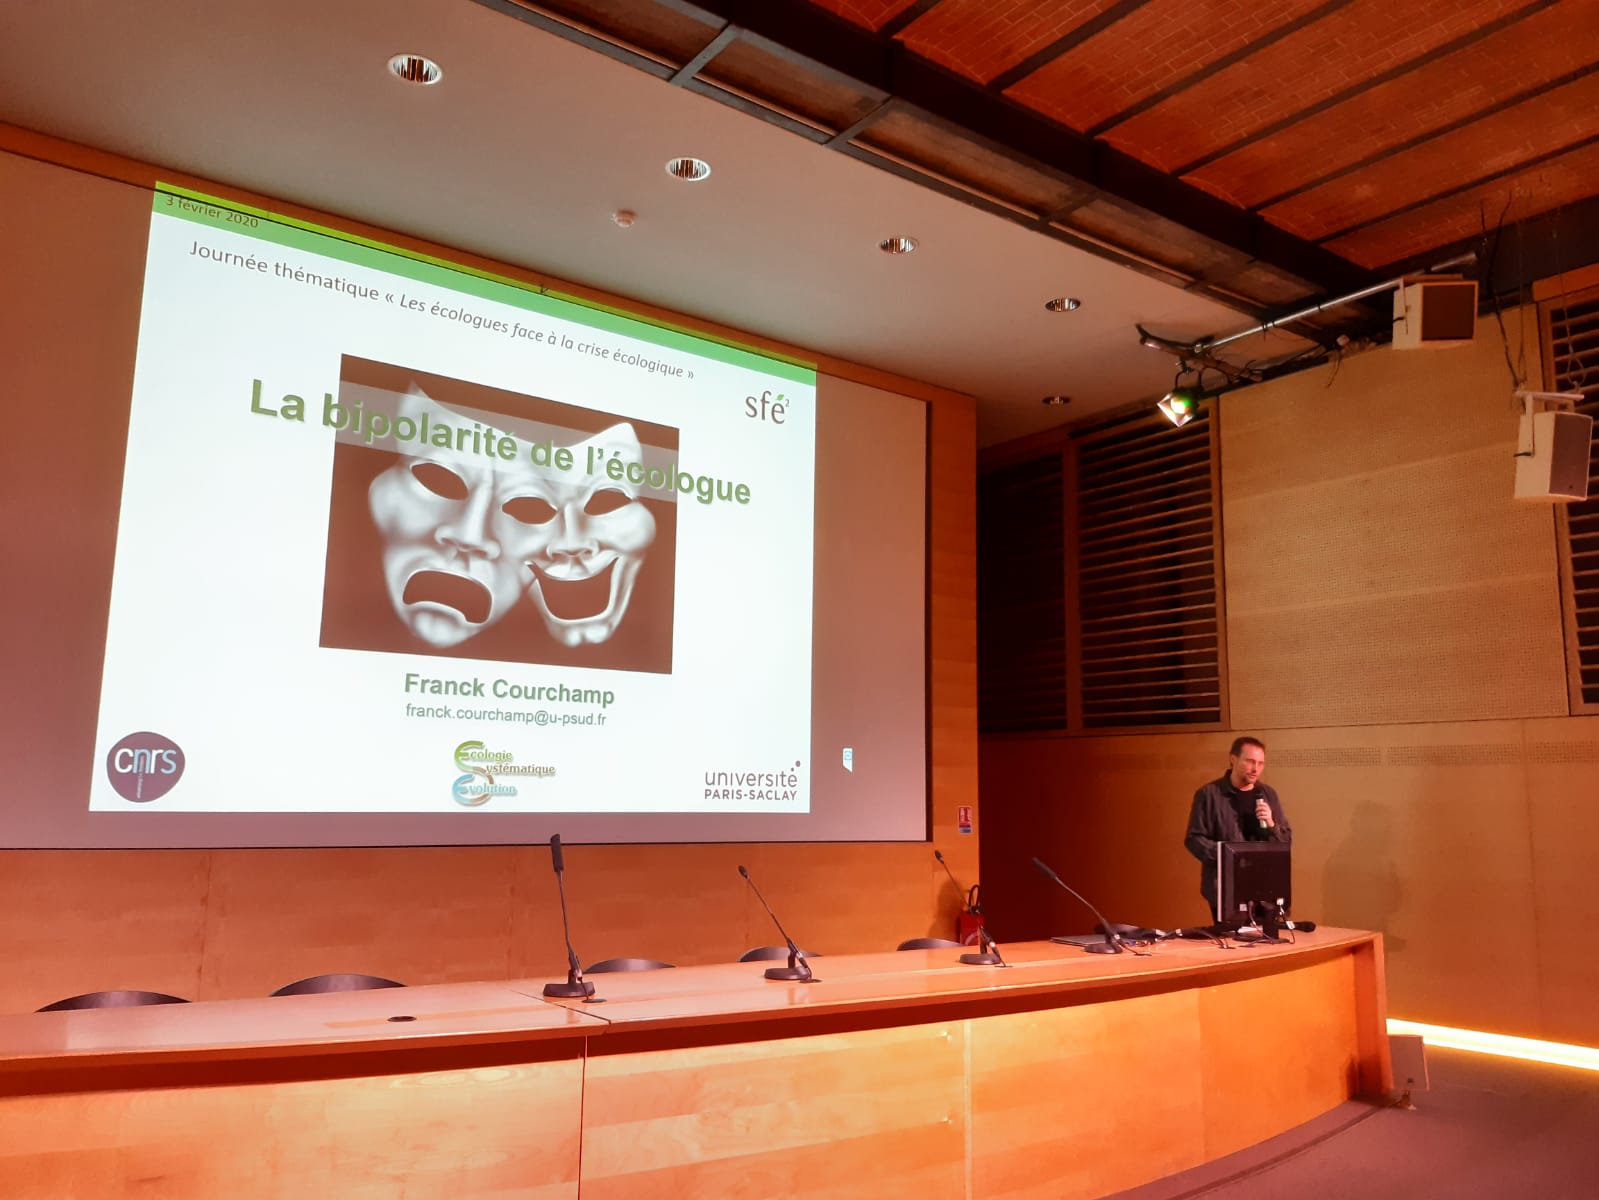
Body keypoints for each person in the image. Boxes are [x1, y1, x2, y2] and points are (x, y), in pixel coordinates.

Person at [1183, 736, 1291, 915]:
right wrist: (1230, 857)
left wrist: (1272, 824)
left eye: (1260, 763)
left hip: (1266, 887)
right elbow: (1194, 839)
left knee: (1270, 933)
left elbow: (1286, 841)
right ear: (1233, 759)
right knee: (1233, 933)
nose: (1255, 769)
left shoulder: (1268, 794)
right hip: (1226, 888)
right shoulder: (1209, 794)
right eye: (1250, 761)